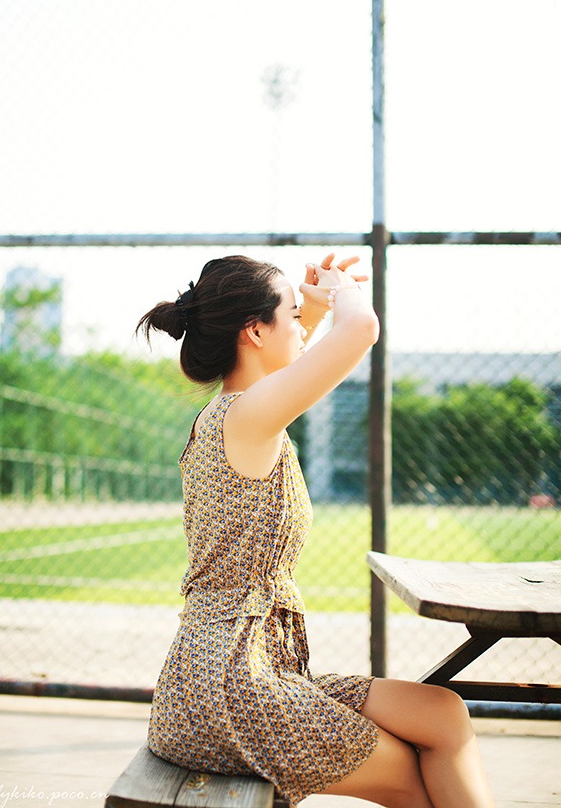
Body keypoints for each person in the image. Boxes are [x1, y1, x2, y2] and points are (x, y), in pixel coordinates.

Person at [136, 253, 494, 808]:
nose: (302, 325)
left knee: (442, 713)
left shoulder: (241, 410)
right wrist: (345, 291)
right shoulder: (247, 416)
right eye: (291, 314)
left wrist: (309, 304)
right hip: (229, 689)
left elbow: (282, 355)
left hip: (249, 671)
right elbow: (362, 329)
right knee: (412, 782)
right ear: (254, 330)